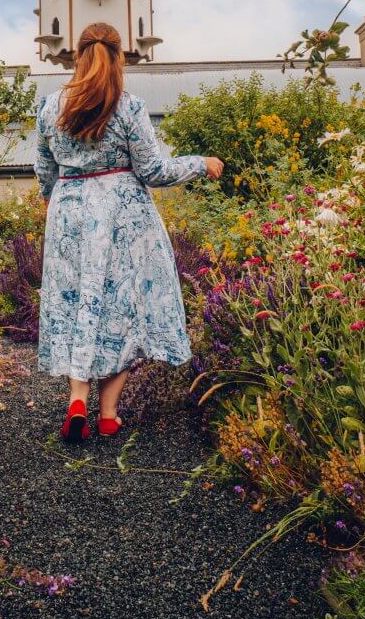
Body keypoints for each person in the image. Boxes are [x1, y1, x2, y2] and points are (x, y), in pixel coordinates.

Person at [34, 22, 224, 441]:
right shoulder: (128, 106)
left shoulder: (50, 107)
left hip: (69, 212)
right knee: (120, 306)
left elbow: (45, 173)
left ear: (76, 55)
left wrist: (63, 205)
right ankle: (108, 414)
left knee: (76, 302)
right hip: (122, 214)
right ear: (120, 57)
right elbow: (153, 170)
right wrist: (200, 163)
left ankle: (77, 401)